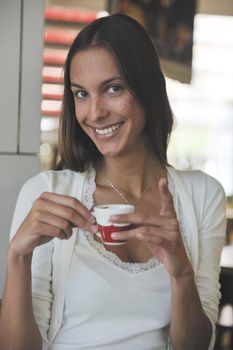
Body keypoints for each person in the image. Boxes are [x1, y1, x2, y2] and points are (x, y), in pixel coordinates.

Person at [0, 14, 226, 350]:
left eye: (113, 88)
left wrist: (181, 274)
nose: (94, 113)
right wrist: (17, 257)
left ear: (147, 87)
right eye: (81, 94)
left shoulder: (202, 195)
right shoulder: (48, 193)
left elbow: (195, 345)